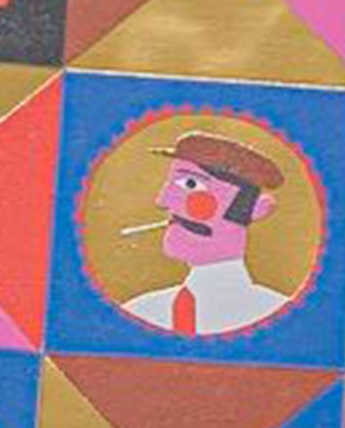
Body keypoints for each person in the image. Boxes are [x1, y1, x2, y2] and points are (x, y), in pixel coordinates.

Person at [118, 133, 293, 338]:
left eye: (191, 184)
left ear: (256, 208)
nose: (163, 200)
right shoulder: (142, 312)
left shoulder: (280, 318)